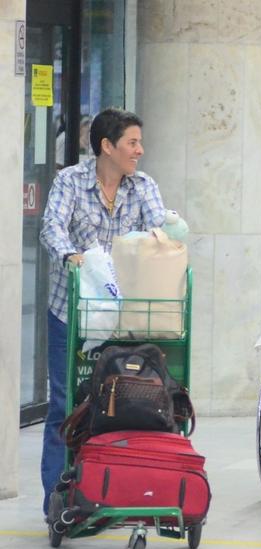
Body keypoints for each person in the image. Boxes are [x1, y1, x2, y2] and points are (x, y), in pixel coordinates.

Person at [40, 107, 166, 516]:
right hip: (72, 312)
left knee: (128, 402)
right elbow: (51, 227)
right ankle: (57, 499)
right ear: (107, 147)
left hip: (126, 320)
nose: (139, 151)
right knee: (65, 403)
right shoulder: (70, 182)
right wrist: (72, 256)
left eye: (139, 142)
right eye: (132, 143)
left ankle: (120, 488)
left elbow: (158, 233)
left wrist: (164, 240)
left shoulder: (142, 186)